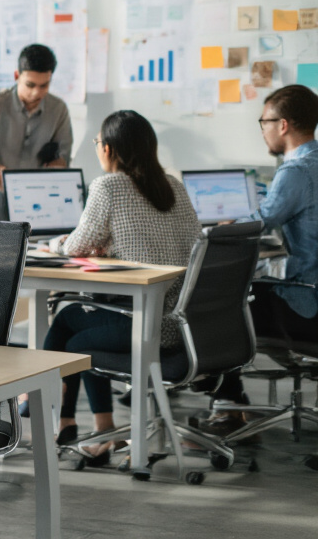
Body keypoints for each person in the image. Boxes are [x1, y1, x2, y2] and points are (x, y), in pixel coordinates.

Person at [40, 110, 199, 463]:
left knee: (70, 331)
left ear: (108, 149)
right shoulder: (173, 185)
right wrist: (111, 246)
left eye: (97, 143)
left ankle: (59, 418)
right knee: (73, 322)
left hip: (145, 324)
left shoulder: (108, 186)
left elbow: (76, 246)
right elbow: (181, 245)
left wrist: (57, 244)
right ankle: (90, 427)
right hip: (181, 324)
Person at [202, 84, 318, 433]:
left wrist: (216, 230)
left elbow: (260, 221)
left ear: (282, 125)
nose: (262, 129)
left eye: (264, 121)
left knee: (215, 299)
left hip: (304, 301)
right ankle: (227, 402)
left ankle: (229, 405)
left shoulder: (296, 171)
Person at [0, 43, 73, 220]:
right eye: (30, 84)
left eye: (44, 86)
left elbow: (63, 154)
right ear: (17, 76)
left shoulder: (59, 109)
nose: (36, 92)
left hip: (39, 201)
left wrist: (57, 167)